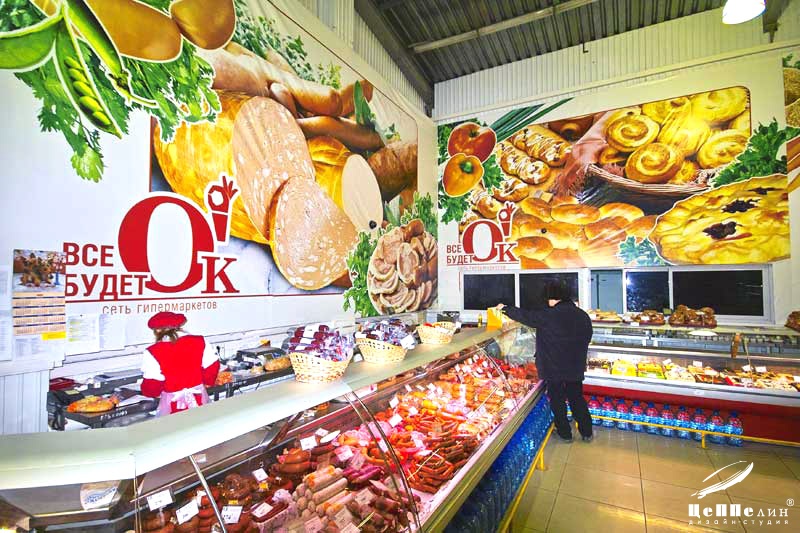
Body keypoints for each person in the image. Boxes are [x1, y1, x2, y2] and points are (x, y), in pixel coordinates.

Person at [497, 281, 594, 442]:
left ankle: (564, 433)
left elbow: (526, 316)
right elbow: (588, 337)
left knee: (557, 400)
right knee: (576, 397)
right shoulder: (582, 315)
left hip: (554, 367)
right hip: (575, 366)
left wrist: (505, 308)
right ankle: (587, 431)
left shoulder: (549, 315)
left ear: (553, 297)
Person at [140, 312, 220, 416]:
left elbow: (152, 387)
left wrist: (151, 392)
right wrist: (204, 382)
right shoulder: (200, 341)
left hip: (172, 404)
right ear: (178, 326)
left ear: (158, 331)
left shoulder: (152, 351)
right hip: (199, 398)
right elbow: (212, 367)